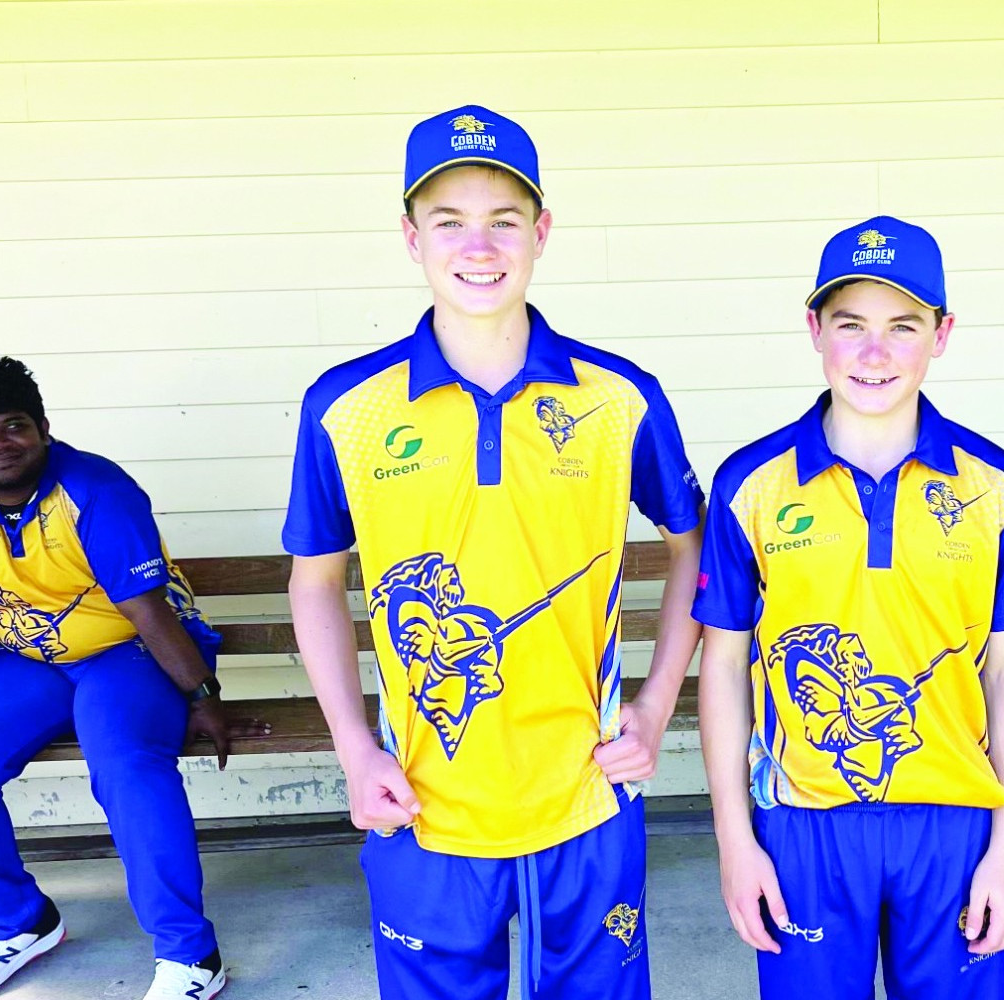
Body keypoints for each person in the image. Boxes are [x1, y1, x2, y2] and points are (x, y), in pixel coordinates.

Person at [283, 105, 705, 1000]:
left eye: (504, 220)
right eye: (450, 222)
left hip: (586, 796)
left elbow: (692, 547)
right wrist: (356, 750)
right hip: (421, 806)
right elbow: (316, 580)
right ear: (411, 237)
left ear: (542, 232)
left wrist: (660, 703)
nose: (479, 247)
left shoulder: (619, 397)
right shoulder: (345, 407)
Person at [694, 217, 1004, 999]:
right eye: (850, 325)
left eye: (903, 327)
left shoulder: (994, 485)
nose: (874, 353)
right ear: (814, 330)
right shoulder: (751, 485)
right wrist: (735, 839)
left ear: (942, 334)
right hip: (804, 824)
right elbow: (723, 663)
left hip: (954, 822)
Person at [0, 355, 242, 1000]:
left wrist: (202, 695)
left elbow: (146, 610)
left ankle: (190, 956)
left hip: (134, 651)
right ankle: (20, 922)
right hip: (34, 654)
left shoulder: (96, 488)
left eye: (13, 425)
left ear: (43, 428)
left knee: (125, 763)